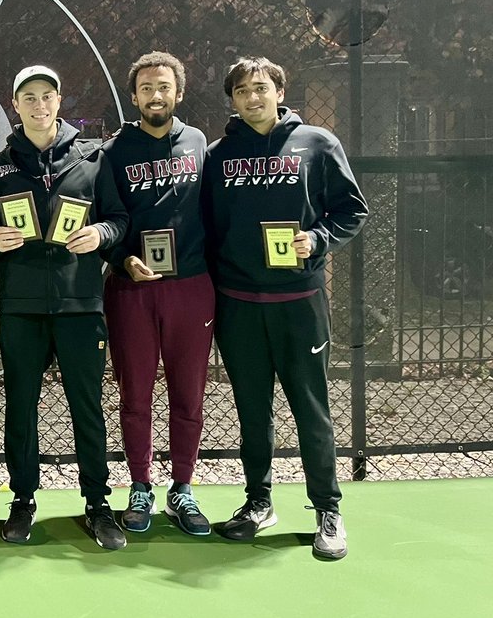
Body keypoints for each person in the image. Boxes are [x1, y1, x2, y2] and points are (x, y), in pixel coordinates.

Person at [204, 56, 368, 560]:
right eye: (241, 91)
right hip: (239, 306)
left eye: (260, 88)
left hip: (300, 304)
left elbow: (352, 209)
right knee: (252, 410)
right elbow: (206, 227)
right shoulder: (217, 155)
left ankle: (327, 509)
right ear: (231, 100)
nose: (252, 98)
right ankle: (259, 502)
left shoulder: (317, 143)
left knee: (310, 408)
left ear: (279, 90)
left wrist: (317, 239)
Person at [0, 65, 129, 547]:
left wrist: (100, 234)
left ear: (59, 101)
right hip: (22, 306)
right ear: (15, 105)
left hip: (80, 305)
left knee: (87, 408)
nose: (39, 105)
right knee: (20, 408)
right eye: (29, 97)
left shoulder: (92, 159)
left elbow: (119, 219)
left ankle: (97, 505)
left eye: (47, 96)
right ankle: (23, 500)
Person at [99, 52, 214, 536]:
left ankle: (182, 488)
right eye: (146, 88)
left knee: (189, 394)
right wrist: (124, 258)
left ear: (178, 92)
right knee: (136, 395)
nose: (155, 95)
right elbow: (106, 219)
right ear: (134, 96)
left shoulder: (198, 143)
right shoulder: (115, 151)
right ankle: (141, 485)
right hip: (132, 288)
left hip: (190, 287)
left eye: (163, 86)